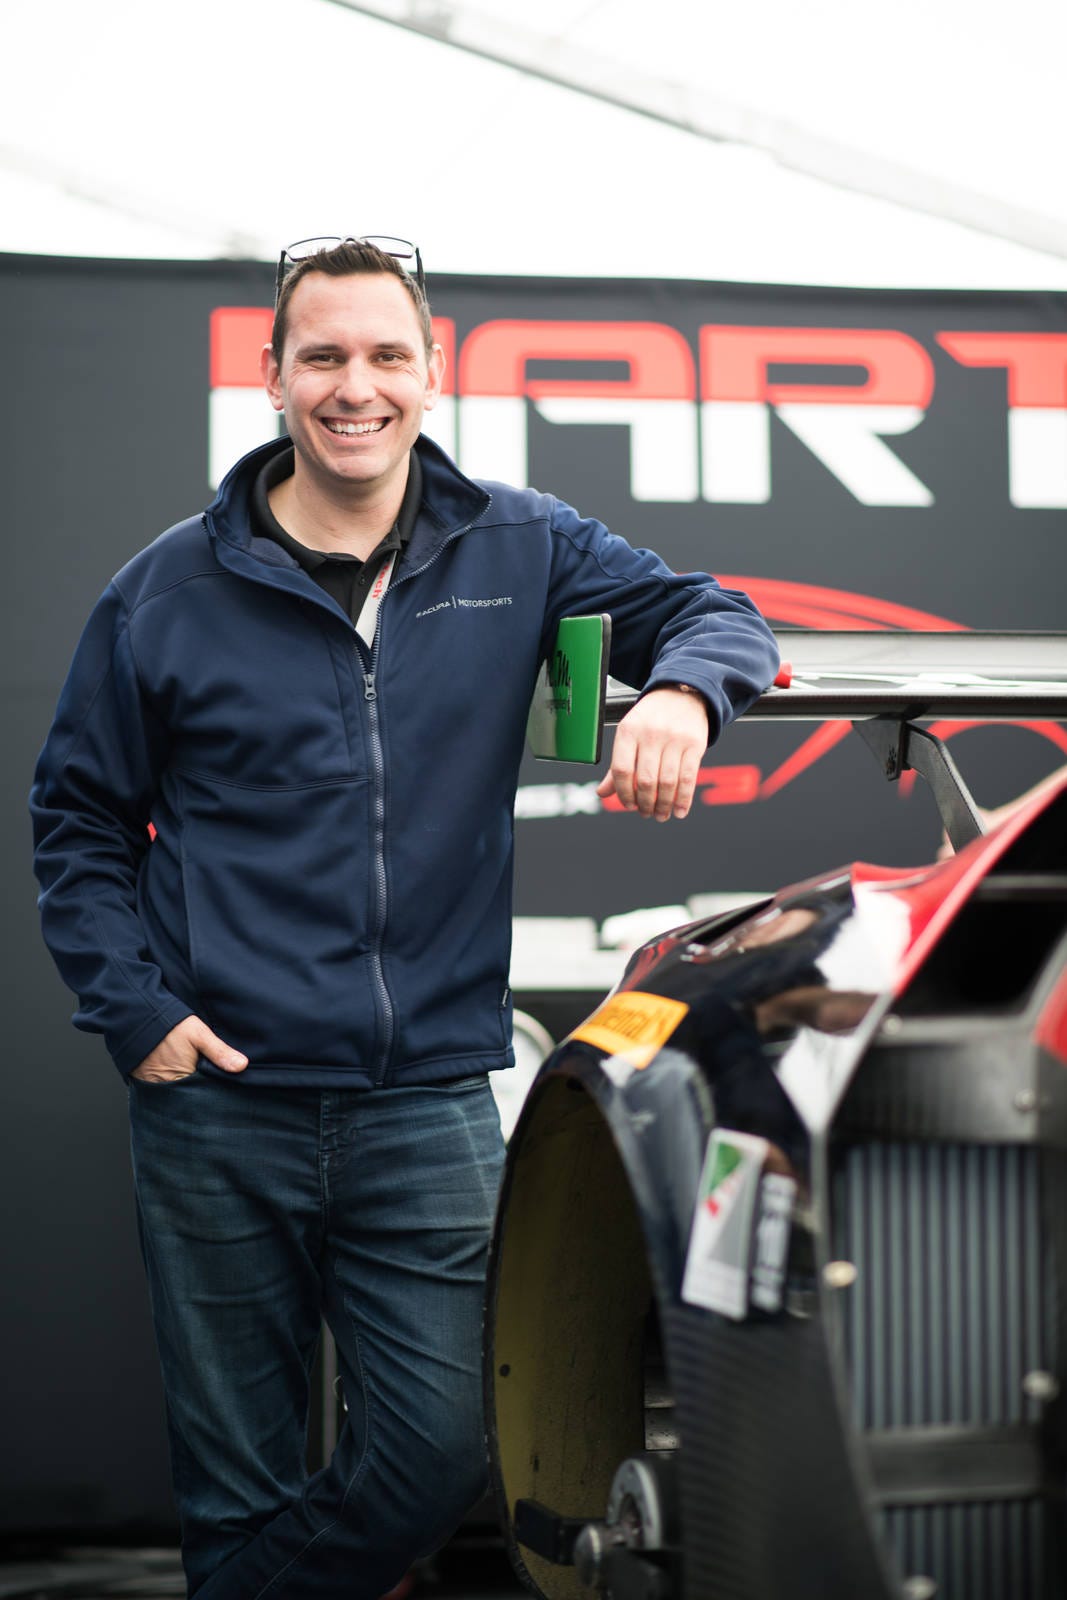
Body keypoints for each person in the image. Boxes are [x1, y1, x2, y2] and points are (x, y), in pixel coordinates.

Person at [31, 237, 780, 1599]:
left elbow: (715, 614)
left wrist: (681, 695)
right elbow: (77, 821)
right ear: (271, 375)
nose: (354, 386)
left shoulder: (521, 541)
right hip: (217, 1100)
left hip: (425, 1097)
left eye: (386, 355)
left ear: (431, 374)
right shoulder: (166, 591)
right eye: (322, 356)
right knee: (237, 1484)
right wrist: (137, 1014)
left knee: (445, 1451)